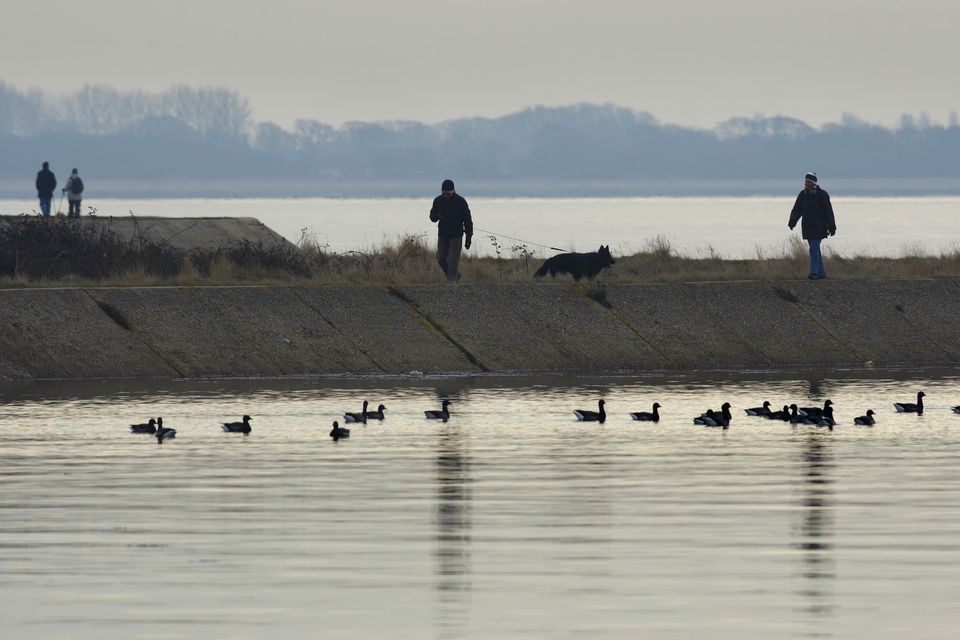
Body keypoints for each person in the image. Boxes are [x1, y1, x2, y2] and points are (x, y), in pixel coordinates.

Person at [788, 171, 836, 280]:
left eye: (808, 181)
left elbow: (828, 211)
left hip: (819, 227)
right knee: (815, 249)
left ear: (813, 182)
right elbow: (797, 209)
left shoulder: (822, 195)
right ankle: (821, 273)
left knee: (813, 248)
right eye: (805, 181)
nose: (806, 183)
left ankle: (813, 273)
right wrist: (792, 221)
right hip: (807, 227)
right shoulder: (803, 195)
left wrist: (832, 226)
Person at [429, 179, 473, 282]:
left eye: (448, 193)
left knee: (453, 261)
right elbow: (432, 217)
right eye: (444, 193)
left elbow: (468, 221)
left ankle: (451, 283)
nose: (446, 195)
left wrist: (468, 238)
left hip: (456, 235)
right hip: (443, 235)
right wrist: (435, 216)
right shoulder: (437, 201)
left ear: (453, 191)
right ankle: (455, 276)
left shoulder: (461, 202)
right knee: (441, 259)